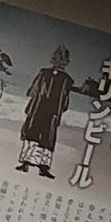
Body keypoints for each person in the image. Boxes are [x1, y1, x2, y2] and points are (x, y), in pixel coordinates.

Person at [17, 45, 74, 180]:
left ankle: (39, 166)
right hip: (41, 109)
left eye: (61, 58)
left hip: (46, 110)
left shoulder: (64, 78)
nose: (59, 61)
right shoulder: (50, 75)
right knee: (36, 135)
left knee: (44, 138)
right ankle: (29, 164)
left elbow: (33, 91)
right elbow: (35, 91)